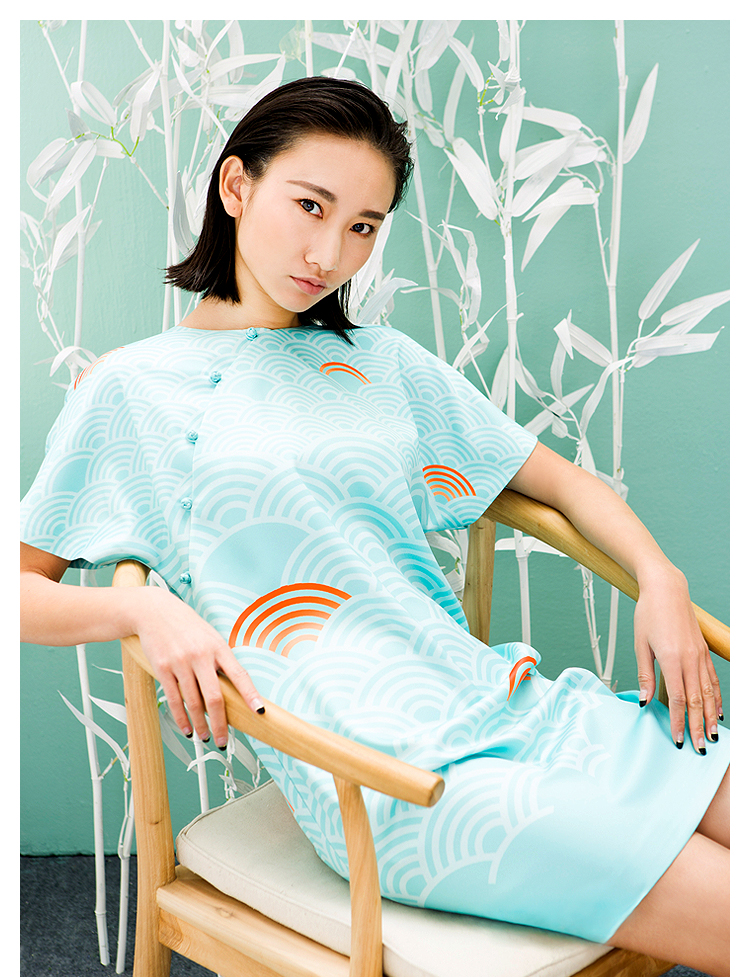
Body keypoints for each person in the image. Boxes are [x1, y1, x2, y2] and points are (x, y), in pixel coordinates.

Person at [20, 76, 729, 976]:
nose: (330, 253)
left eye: (363, 226)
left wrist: (660, 578)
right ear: (237, 186)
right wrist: (140, 609)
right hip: (391, 779)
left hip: (513, 703)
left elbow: (565, 484)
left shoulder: (384, 361)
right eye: (310, 206)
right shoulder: (130, 389)